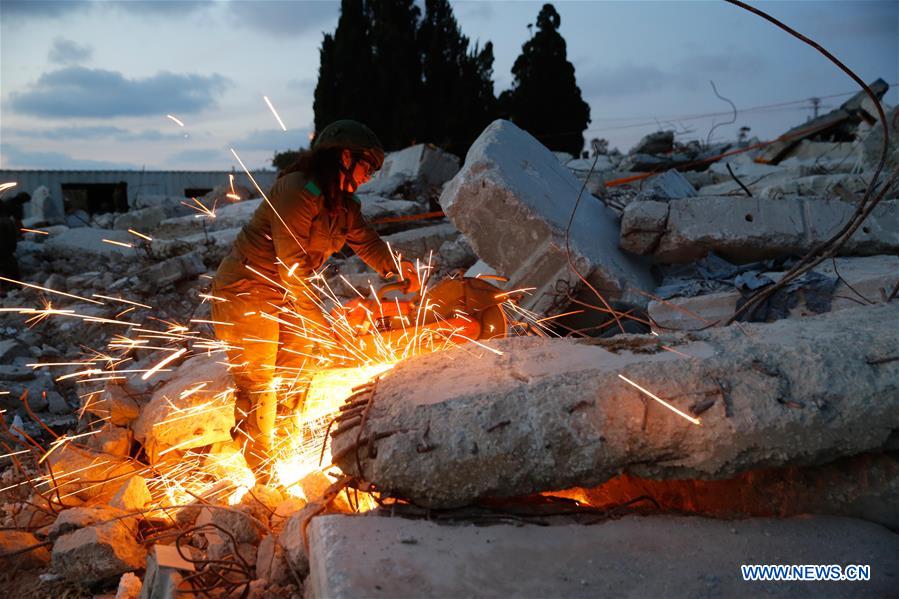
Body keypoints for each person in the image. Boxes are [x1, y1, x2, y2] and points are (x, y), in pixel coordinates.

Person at [211, 120, 419, 472]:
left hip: (285, 294)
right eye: (367, 166)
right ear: (344, 156)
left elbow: (366, 241)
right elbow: (292, 267)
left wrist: (397, 268)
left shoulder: (342, 205)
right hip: (246, 289)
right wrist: (318, 323)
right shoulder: (297, 190)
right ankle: (262, 475)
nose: (369, 175)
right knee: (260, 383)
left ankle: (285, 459)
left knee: (297, 374)